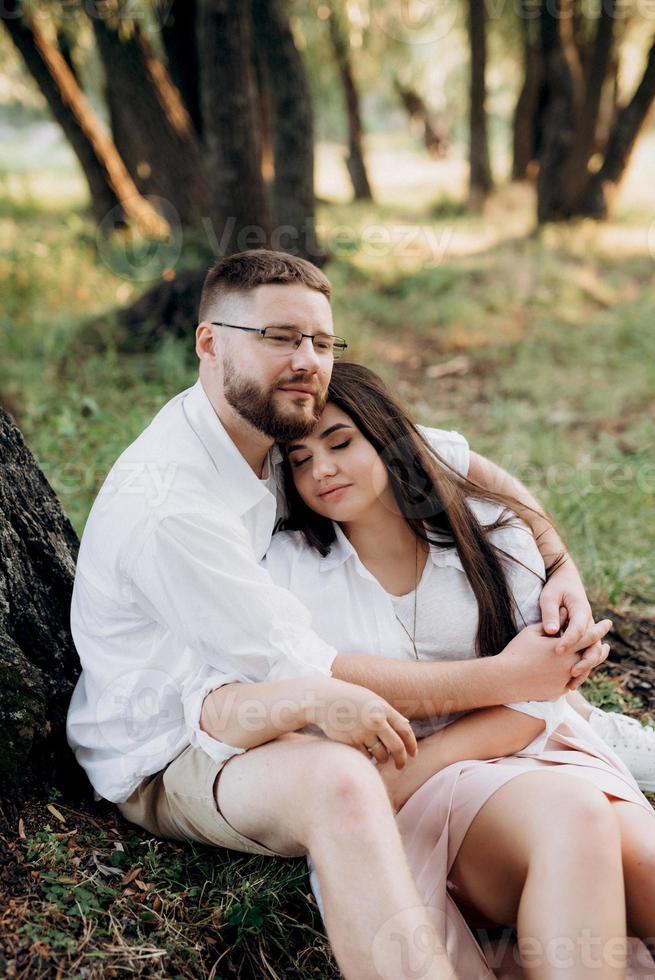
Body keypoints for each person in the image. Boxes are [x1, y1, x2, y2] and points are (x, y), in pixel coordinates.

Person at [66, 250, 651, 980]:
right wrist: (510, 679)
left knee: (619, 849)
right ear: (208, 342)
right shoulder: (176, 507)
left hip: (272, 697)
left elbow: (448, 460)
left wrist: (559, 563)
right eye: (278, 337)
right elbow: (311, 675)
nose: (305, 360)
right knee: (341, 779)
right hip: (173, 740)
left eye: (319, 341)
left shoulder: (272, 440)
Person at [232, 360, 654, 978]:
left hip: (537, 748)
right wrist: (417, 771)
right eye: (298, 459)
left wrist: (432, 756)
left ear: (388, 440)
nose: (320, 470)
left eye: (340, 443)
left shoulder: (486, 533)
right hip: (424, 798)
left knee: (641, 855)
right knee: (575, 813)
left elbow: (543, 691)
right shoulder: (291, 573)